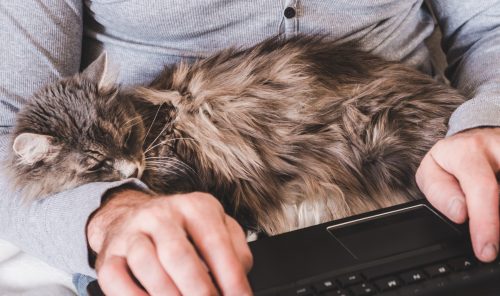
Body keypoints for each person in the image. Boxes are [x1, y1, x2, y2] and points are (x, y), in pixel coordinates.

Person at [1, 1, 499, 295]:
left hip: (416, 157)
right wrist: (108, 213)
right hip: (172, 210)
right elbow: (6, 128)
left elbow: (488, 27)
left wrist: (485, 123)